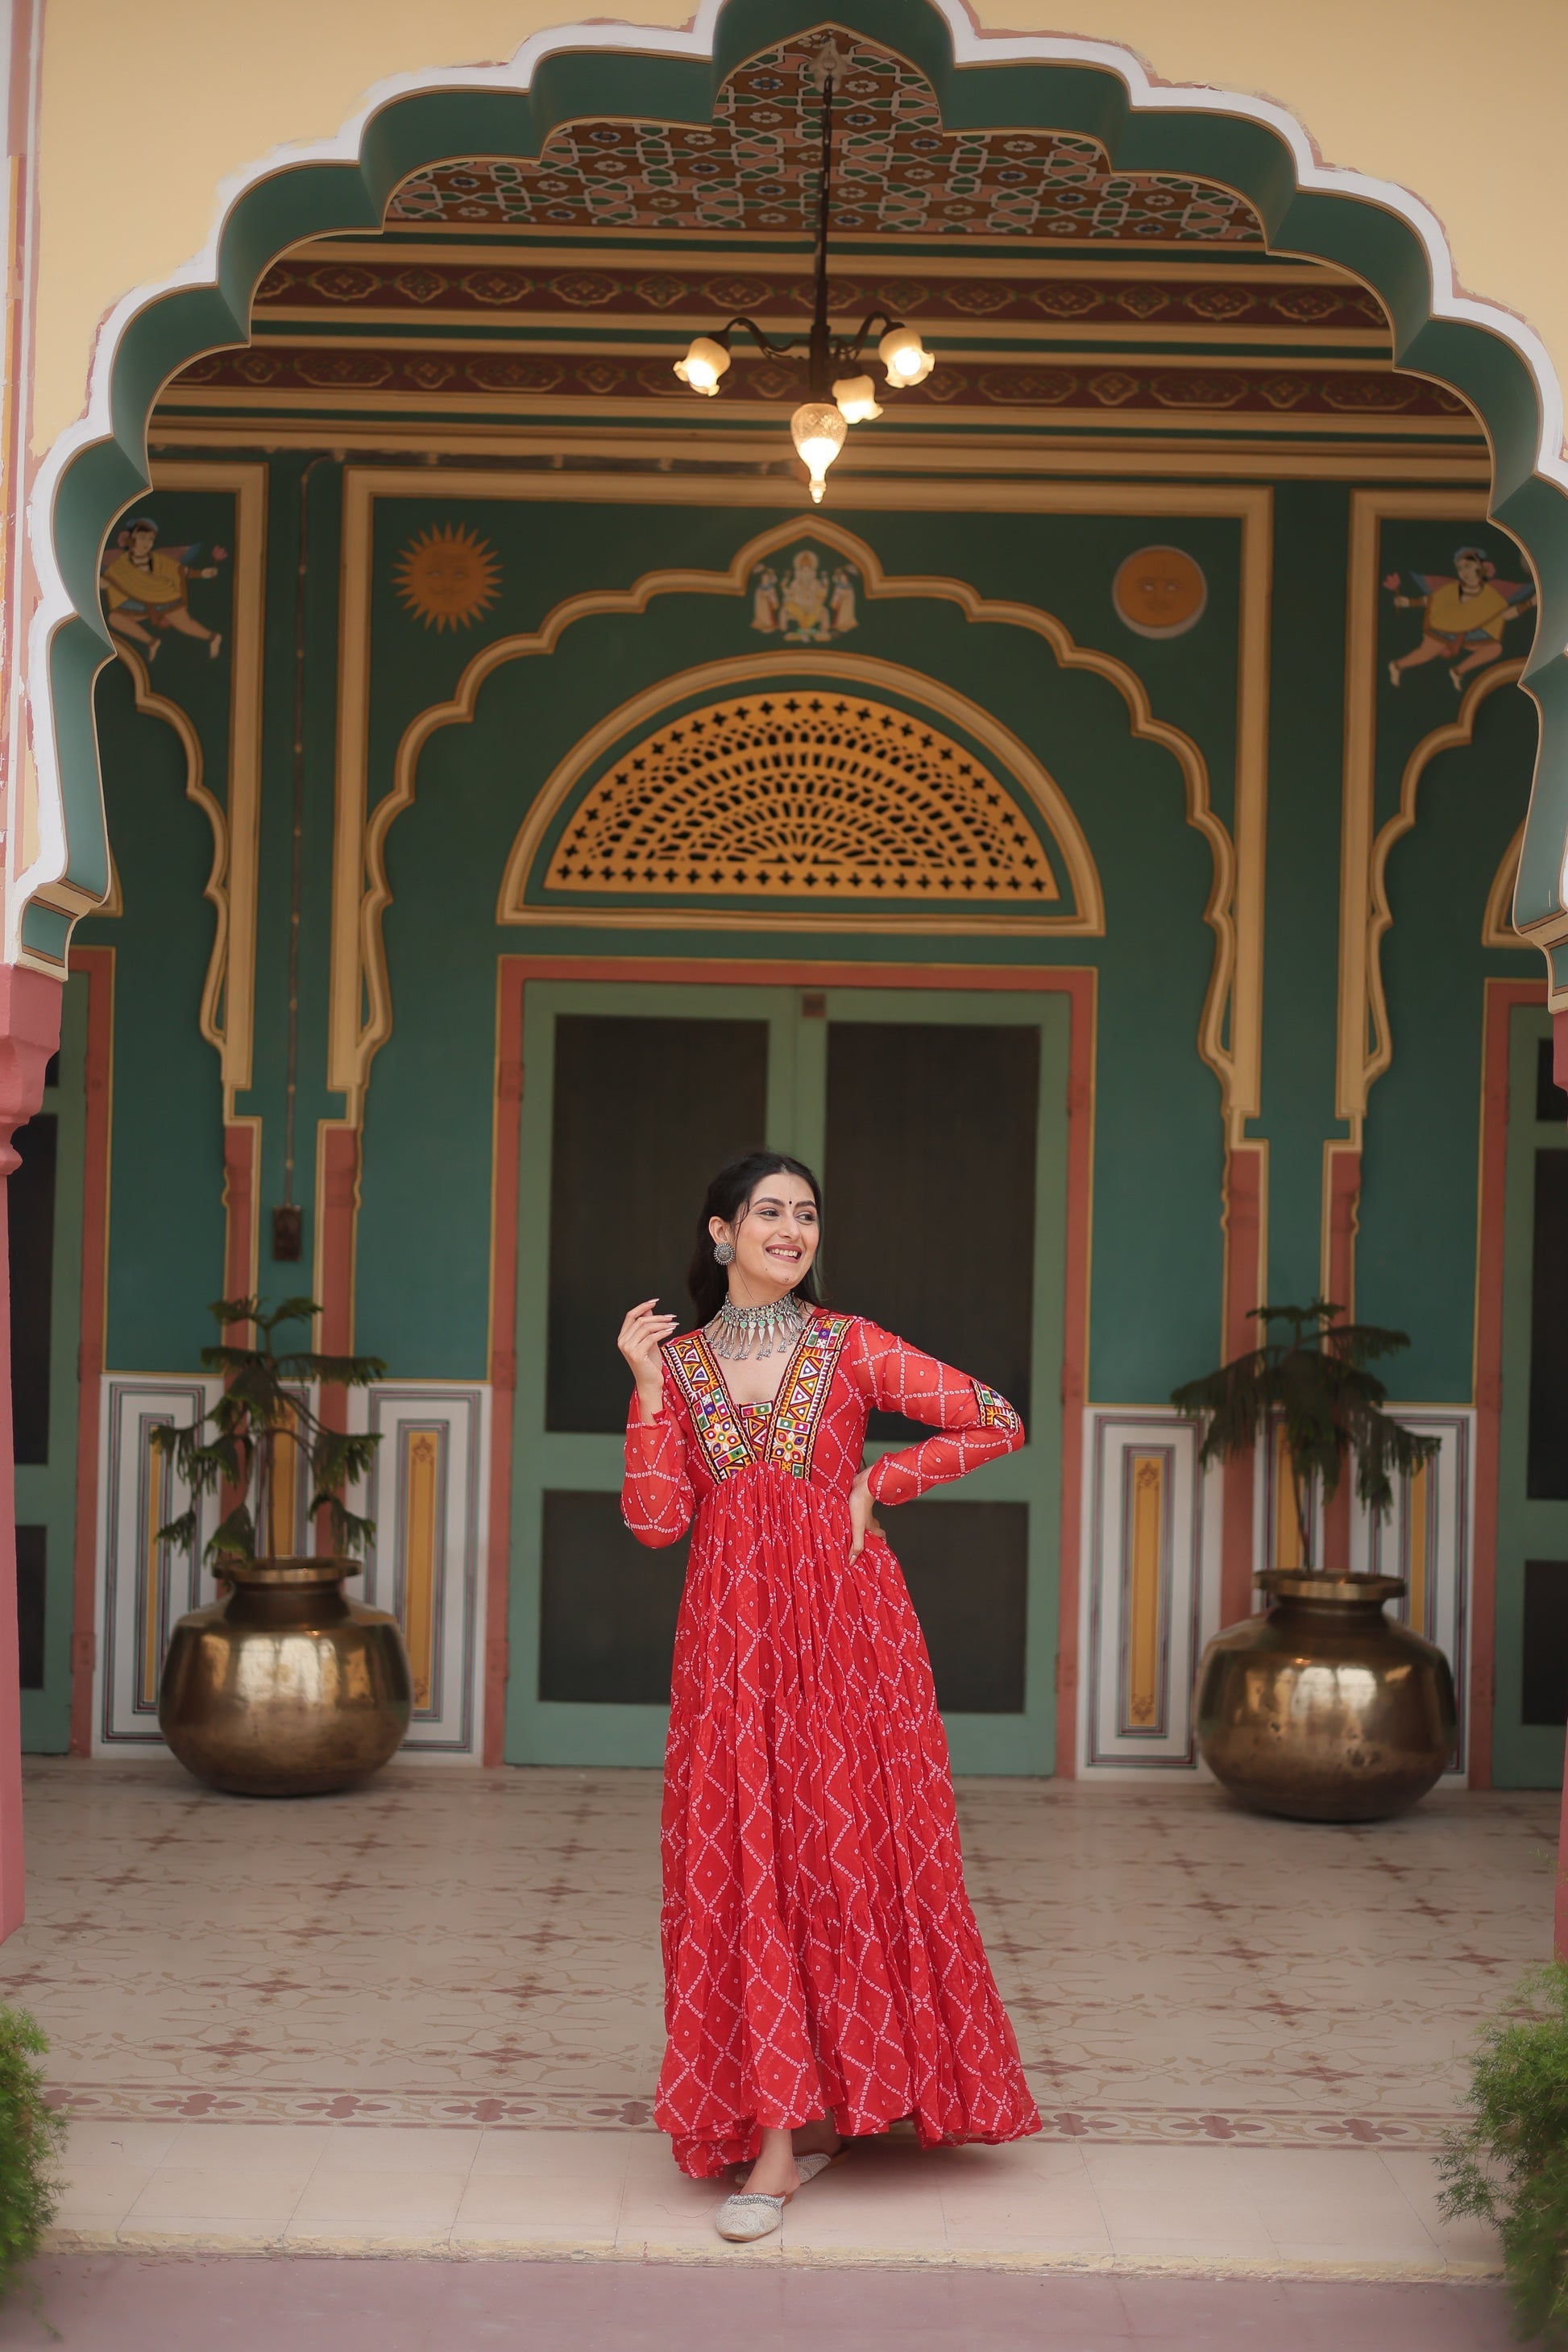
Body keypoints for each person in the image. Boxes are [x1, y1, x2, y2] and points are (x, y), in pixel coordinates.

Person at [618, 1149, 1040, 2245]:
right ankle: (775, 2123)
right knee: (744, 1861)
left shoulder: (849, 1346)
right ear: (719, 1232)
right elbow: (658, 1521)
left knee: (837, 1857)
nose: (790, 1229)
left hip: (848, 1638)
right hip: (728, 1647)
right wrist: (648, 1389)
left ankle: (810, 2125)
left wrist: (875, 1481)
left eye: (805, 1214)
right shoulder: (684, 1362)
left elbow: (995, 1418)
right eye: (768, 1212)